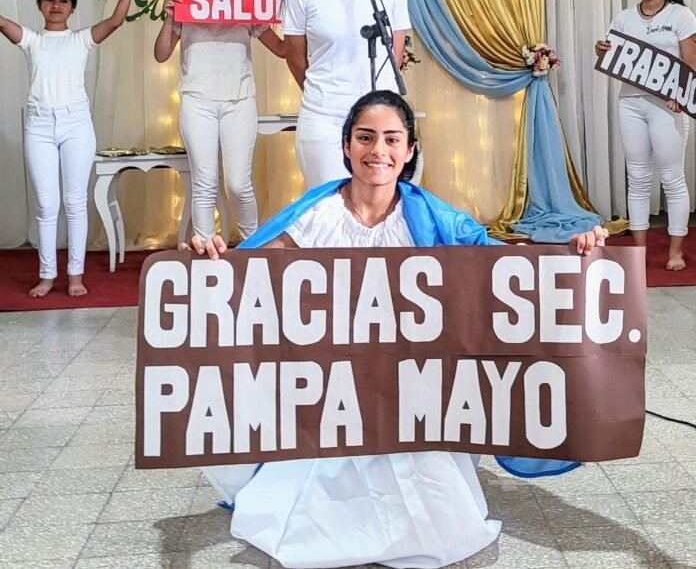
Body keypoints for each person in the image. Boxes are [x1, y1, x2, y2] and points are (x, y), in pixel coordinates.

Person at [187, 90, 608, 569]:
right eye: (365, 138)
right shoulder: (318, 214)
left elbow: (505, 266)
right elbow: (253, 272)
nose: (378, 151)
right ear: (346, 146)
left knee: (433, 506)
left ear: (409, 150)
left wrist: (569, 257)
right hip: (333, 391)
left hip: (411, 392)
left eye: (392, 139)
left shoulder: (431, 216)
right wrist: (212, 263)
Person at [0, 0, 141, 297]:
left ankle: (75, 275)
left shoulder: (81, 39)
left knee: (76, 202)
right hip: (39, 124)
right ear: (39, 5)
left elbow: (117, 20)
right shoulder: (32, 39)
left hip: (76, 123)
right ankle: (47, 275)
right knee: (47, 205)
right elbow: (3, 24)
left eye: (63, 0)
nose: (56, 5)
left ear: (73, 7)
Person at [154, 0, 285, 242]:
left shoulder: (244, 8)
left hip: (239, 100)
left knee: (239, 184)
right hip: (197, 100)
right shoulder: (185, 10)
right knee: (205, 183)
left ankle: (254, 247)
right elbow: (161, 54)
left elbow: (281, 49)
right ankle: (205, 249)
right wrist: (168, 18)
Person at [283, 0, 411, 188]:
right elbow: (295, 56)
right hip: (325, 115)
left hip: (382, 114)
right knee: (333, 208)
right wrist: (326, 91)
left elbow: (397, 51)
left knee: (385, 210)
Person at [596, 0, 696, 270]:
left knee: (671, 178)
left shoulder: (682, 15)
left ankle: (675, 252)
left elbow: (691, 61)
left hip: (668, 105)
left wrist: (683, 94)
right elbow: (615, 55)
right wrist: (602, 51)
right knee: (637, 178)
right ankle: (637, 254)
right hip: (631, 102)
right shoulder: (624, 17)